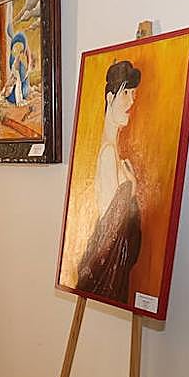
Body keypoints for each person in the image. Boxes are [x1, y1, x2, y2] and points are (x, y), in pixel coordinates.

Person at [75, 60, 143, 302]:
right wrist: (131, 189)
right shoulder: (107, 154)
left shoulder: (113, 151)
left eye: (134, 93)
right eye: (126, 92)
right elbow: (111, 231)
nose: (132, 101)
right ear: (109, 97)